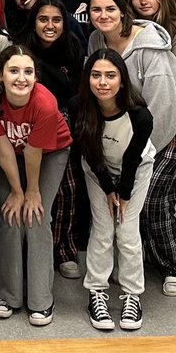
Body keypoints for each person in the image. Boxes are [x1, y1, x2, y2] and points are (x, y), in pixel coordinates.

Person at [87, 0, 176, 296]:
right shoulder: (96, 39)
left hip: (167, 128)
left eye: (110, 9)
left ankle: (175, 267)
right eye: (96, 10)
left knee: (153, 200)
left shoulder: (148, 47)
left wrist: (142, 157)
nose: (103, 16)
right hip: (124, 134)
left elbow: (163, 108)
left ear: (123, 11)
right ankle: (140, 258)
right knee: (122, 203)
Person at [0, 45, 72, 326]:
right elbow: (2, 147)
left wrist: (31, 193)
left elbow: (34, 152)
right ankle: (8, 295)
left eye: (29, 72)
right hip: (10, 153)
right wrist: (17, 192)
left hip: (50, 151)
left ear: (36, 77)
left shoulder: (45, 102)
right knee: (10, 216)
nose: (22, 78)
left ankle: (41, 300)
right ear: (0, 76)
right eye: (14, 71)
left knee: (35, 216)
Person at [70, 49, 154, 331]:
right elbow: (90, 154)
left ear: (122, 80)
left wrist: (124, 194)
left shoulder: (140, 115)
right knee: (104, 228)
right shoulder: (78, 106)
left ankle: (132, 294)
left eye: (110, 75)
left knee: (127, 230)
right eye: (96, 75)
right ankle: (97, 290)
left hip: (136, 171)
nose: (102, 82)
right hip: (98, 171)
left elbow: (132, 160)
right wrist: (108, 190)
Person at [25, 0, 87, 281]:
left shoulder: (73, 47)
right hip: (29, 129)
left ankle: (65, 250)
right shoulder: (23, 51)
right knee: (34, 191)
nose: (49, 25)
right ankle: (36, 251)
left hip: (65, 129)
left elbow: (78, 95)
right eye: (43, 19)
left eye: (56, 20)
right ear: (34, 22)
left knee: (67, 192)